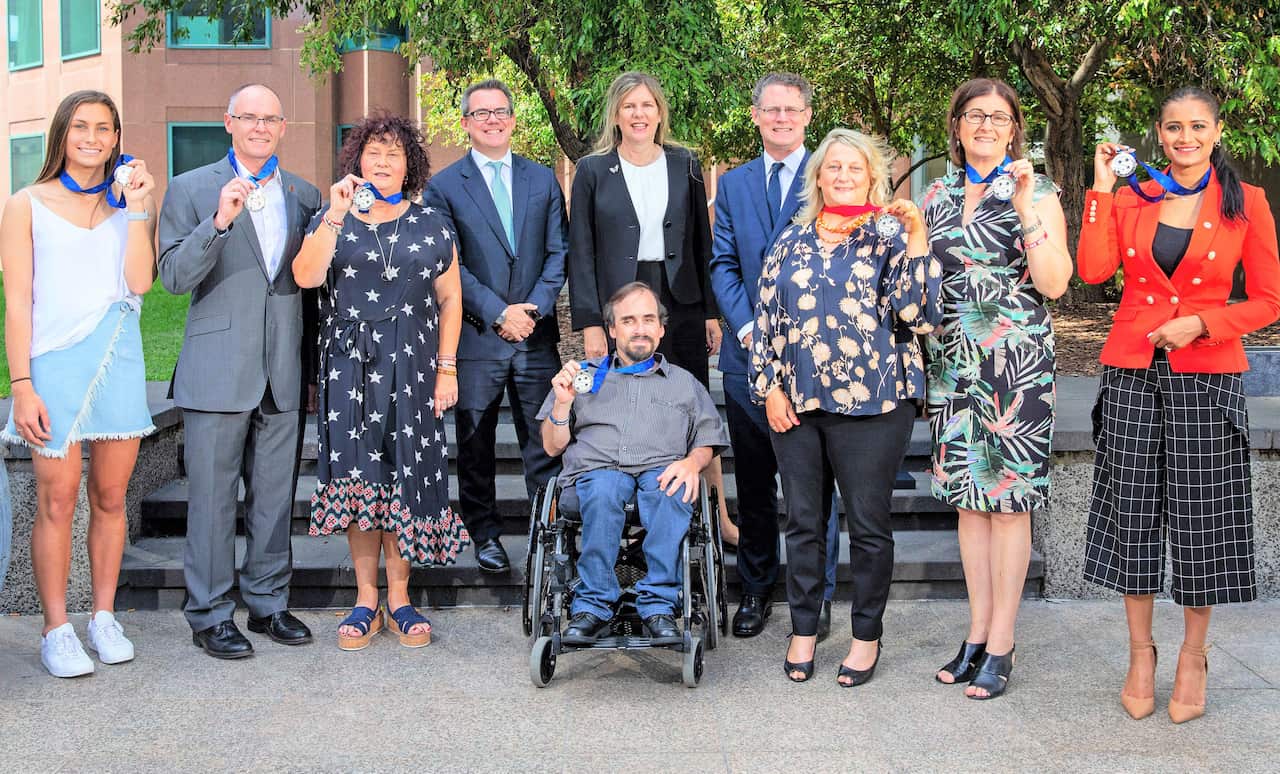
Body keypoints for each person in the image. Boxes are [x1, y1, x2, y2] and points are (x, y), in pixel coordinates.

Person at [1079, 86, 1280, 723]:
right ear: (1159, 135)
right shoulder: (1136, 194)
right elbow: (1092, 271)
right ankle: (1141, 654)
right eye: (1173, 128)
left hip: (1208, 372)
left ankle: (1193, 657)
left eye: (1197, 126)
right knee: (1131, 511)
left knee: (1203, 515)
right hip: (1133, 371)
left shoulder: (1246, 202)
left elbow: (1270, 302)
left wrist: (1202, 324)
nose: (1184, 138)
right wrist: (1101, 186)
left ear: (1217, 132)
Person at [751, 128, 941, 685]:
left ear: (871, 176)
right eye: (832, 167)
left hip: (876, 403)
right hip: (798, 403)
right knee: (804, 522)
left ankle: (865, 636)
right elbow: (766, 320)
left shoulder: (890, 233)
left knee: (867, 524)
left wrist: (917, 236)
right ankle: (804, 630)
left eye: (853, 168)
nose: (842, 175)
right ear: (817, 177)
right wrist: (771, 387)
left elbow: (920, 315)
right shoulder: (791, 239)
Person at [294, 113, 469, 650]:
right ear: (358, 161)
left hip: (414, 367)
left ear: (409, 164)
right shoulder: (333, 216)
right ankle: (364, 598)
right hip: (350, 368)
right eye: (375, 153)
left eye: (395, 154)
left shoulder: (433, 223)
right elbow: (305, 276)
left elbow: (451, 298)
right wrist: (336, 213)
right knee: (357, 480)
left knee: (403, 478)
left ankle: (399, 597)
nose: (384, 162)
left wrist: (447, 368)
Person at [921, 78, 1072, 699]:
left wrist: (1027, 208)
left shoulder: (1038, 190)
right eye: (974, 116)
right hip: (951, 363)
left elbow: (1057, 282)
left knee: (1008, 505)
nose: (986, 125)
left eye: (999, 117)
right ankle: (977, 632)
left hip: (1016, 362)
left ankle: (1003, 642)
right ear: (956, 126)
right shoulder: (935, 193)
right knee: (969, 502)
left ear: (1014, 128)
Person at [158, 83, 321, 659]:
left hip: (282, 370)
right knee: (212, 500)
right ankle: (208, 612)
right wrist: (219, 223)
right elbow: (174, 277)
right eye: (247, 117)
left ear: (283, 127)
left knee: (274, 499)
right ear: (228, 122)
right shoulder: (190, 188)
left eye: (269, 119)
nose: (259, 127)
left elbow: (308, 286)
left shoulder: (305, 194)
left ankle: (269, 603)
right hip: (217, 371)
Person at [1, 90, 157, 676]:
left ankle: (103, 616)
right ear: (62, 134)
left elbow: (140, 284)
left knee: (111, 497)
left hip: (119, 354)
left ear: (117, 138)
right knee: (58, 499)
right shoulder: (25, 204)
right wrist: (22, 384)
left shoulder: (130, 204)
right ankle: (56, 628)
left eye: (104, 128)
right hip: (53, 365)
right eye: (81, 127)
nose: (92, 138)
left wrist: (139, 206)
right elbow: (17, 302)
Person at [567, 71, 729, 537]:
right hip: (620, 297)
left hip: (681, 298)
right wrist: (592, 323)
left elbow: (702, 241)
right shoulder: (594, 170)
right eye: (630, 106)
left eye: (648, 106)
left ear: (660, 113)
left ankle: (715, 517)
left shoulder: (686, 164)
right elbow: (582, 251)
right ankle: (624, 513)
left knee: (695, 406)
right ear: (616, 115)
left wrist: (710, 312)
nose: (639, 115)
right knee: (622, 401)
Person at [709, 72, 840, 640]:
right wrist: (747, 328)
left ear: (807, 115)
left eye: (792, 110)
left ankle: (819, 597)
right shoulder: (734, 184)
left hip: (815, 362)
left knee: (815, 491)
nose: (782, 118)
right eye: (771, 110)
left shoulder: (829, 178)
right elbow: (722, 263)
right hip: (746, 363)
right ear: (755, 115)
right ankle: (756, 590)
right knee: (756, 484)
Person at [424, 79, 567, 575]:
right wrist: (498, 312)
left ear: (512, 119)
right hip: (477, 336)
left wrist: (531, 310)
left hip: (535, 335)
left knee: (543, 443)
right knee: (476, 442)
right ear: (465, 122)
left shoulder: (543, 180)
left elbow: (558, 253)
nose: (491, 119)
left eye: (500, 111)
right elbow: (449, 265)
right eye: (480, 112)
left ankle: (546, 536)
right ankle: (484, 534)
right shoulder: (443, 187)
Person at [538, 282, 728, 645]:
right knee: (606, 487)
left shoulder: (683, 383)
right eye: (628, 320)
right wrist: (562, 405)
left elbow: (708, 437)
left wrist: (692, 462)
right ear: (612, 329)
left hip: (660, 471)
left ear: (660, 328)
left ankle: (658, 605)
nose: (639, 328)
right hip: (596, 473)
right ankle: (592, 605)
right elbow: (551, 446)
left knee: (670, 488)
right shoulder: (585, 376)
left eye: (647, 319)